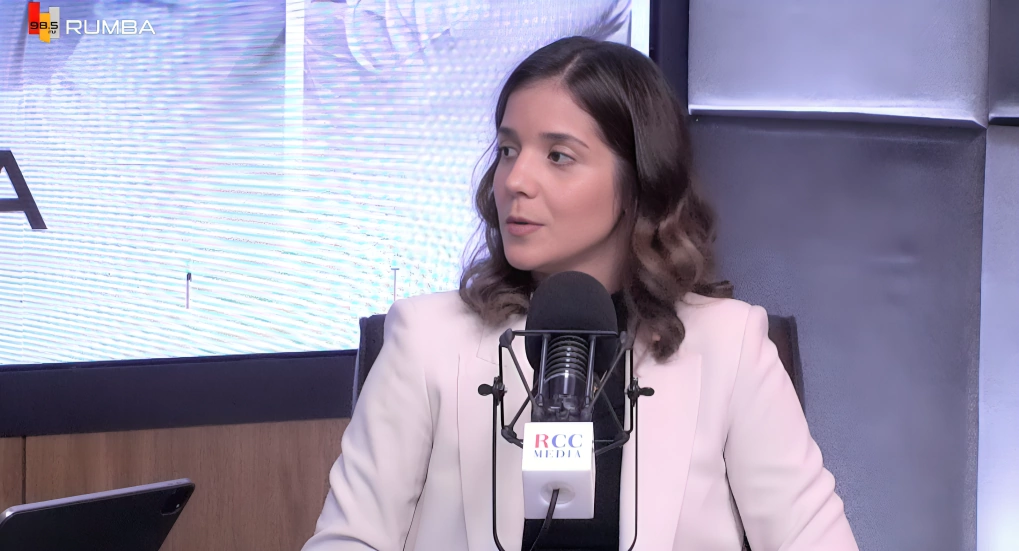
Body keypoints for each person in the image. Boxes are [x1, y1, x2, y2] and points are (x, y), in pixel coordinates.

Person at [302, 36, 859, 551]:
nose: (515, 181)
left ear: (637, 178)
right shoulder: (425, 339)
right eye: (508, 150)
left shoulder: (730, 345)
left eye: (558, 156)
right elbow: (348, 541)